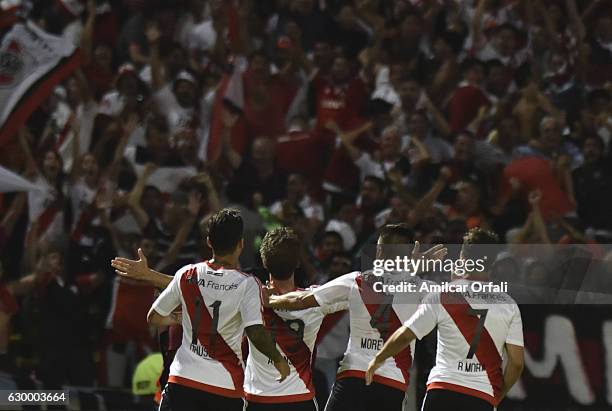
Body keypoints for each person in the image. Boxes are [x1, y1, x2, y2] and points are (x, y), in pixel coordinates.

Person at [267, 224, 446, 411]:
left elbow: (302, 300)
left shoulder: (356, 281)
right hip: (393, 382)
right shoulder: (424, 289)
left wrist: (271, 300)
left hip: (354, 377)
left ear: (378, 251)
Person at [144, 209, 290, 411]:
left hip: (183, 381)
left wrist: (180, 319)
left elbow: (154, 317)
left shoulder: (187, 274)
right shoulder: (248, 284)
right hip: (225, 387)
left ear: (209, 241)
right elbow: (255, 331)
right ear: (240, 243)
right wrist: (278, 359)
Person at [365, 228, 524, 411]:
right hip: (482, 396)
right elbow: (517, 363)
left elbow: (406, 334)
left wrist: (378, 358)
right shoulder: (508, 304)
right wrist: (498, 395)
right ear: (494, 261)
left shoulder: (442, 295)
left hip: (443, 390)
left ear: (463, 256)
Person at [245, 227, 347, 410]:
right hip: (300, 399)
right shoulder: (317, 299)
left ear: (264, 262)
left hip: (258, 400)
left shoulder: (249, 298)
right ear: (298, 262)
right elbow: (357, 294)